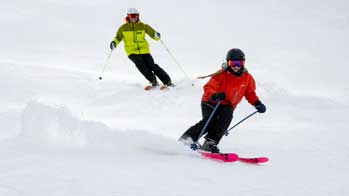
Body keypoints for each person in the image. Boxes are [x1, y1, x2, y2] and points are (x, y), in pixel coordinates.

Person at [179, 48, 266, 153]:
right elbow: (208, 87)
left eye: (239, 63)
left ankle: (210, 143)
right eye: (233, 63)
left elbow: (250, 93)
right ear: (228, 62)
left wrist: (257, 103)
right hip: (211, 102)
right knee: (210, 122)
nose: (236, 66)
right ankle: (187, 139)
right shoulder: (221, 74)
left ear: (243, 63)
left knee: (226, 118)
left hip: (228, 105)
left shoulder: (247, 78)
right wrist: (215, 95)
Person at [110, 8, 174, 88]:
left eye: (135, 16)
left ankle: (167, 81)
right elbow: (118, 38)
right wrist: (114, 43)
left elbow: (153, 34)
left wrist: (156, 35)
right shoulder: (123, 28)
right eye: (131, 16)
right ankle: (153, 80)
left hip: (144, 50)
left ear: (138, 16)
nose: (133, 18)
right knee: (141, 65)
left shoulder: (143, 26)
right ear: (128, 17)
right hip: (132, 51)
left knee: (152, 65)